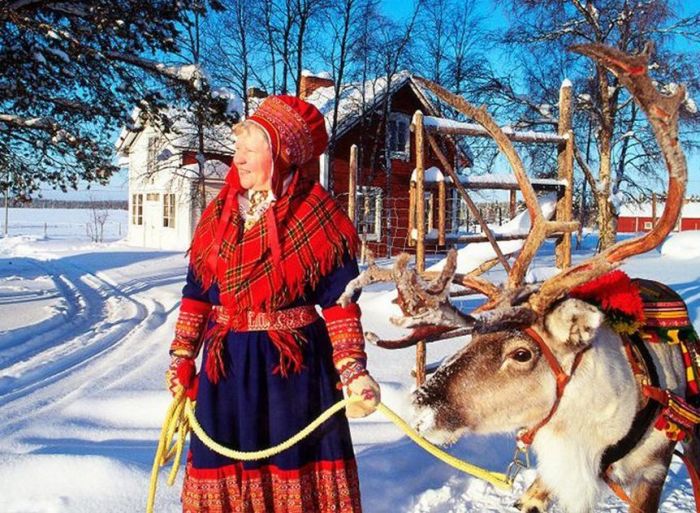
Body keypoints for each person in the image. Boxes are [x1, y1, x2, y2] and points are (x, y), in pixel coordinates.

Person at [165, 95, 381, 513]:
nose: (238, 158)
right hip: (224, 370)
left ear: (282, 154)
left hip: (293, 374)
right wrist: (181, 357)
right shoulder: (217, 215)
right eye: (238, 147)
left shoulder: (321, 218)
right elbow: (196, 295)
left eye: (250, 148)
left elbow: (340, 304)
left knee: (293, 470)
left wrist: (353, 369)